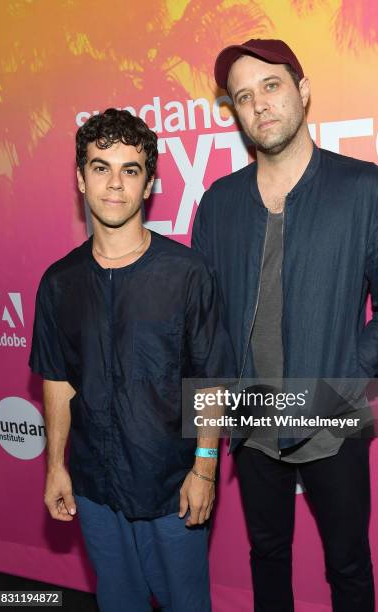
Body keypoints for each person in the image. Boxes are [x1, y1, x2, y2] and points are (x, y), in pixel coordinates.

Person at [192, 39, 378, 611]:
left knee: (348, 564)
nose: (260, 105)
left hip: (331, 412)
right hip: (250, 419)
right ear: (238, 114)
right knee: (266, 556)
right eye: (244, 97)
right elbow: (205, 324)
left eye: (271, 86)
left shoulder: (364, 188)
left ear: (301, 91)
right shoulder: (218, 203)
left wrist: (350, 369)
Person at [29, 108, 233, 612]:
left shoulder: (188, 273)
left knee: (187, 604)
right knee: (117, 602)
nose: (114, 184)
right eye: (101, 167)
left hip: (172, 486)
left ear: (149, 185)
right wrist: (56, 467)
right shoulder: (58, 283)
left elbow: (209, 382)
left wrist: (204, 469)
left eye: (130, 169)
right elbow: (58, 380)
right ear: (81, 179)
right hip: (95, 487)